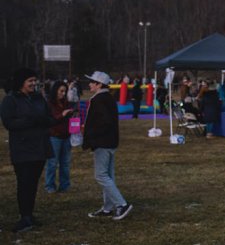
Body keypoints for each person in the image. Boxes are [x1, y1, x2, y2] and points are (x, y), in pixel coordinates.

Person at [1, 69, 70, 232]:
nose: (34, 83)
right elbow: (9, 123)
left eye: (34, 80)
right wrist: (31, 121)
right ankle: (24, 217)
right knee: (24, 182)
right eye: (30, 81)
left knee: (32, 183)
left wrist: (60, 118)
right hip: (23, 149)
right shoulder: (10, 100)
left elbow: (46, 119)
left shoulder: (39, 98)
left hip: (40, 147)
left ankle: (29, 215)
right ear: (21, 82)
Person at [82, 71, 132, 220]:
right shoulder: (108, 98)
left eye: (92, 82)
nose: (90, 84)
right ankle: (108, 207)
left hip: (102, 142)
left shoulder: (99, 100)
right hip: (110, 142)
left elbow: (103, 123)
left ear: (99, 84)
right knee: (108, 175)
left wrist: (89, 133)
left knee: (101, 175)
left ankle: (121, 204)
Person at [44, 81, 73, 193]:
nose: (63, 93)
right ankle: (50, 186)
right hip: (54, 137)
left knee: (65, 163)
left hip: (66, 136)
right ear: (55, 90)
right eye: (61, 91)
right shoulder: (49, 104)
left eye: (65, 91)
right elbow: (49, 120)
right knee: (52, 163)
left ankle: (64, 186)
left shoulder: (66, 103)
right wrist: (62, 115)